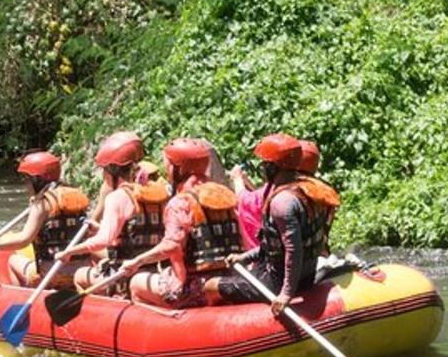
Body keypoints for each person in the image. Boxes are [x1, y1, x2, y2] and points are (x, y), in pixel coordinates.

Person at [217, 133, 341, 315]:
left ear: (272, 167)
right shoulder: (309, 191)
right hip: (306, 275)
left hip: (278, 281)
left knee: (211, 286)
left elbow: (293, 250)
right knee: (242, 275)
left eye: (264, 165)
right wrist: (244, 257)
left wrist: (285, 294)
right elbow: (276, 245)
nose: (262, 169)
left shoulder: (281, 203)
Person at [121, 138, 242, 308]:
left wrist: (137, 262)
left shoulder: (180, 202)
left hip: (195, 285)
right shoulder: (226, 195)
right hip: (230, 276)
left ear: (177, 168)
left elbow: (172, 245)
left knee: (136, 282)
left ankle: (167, 328)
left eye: (168, 164)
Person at [54, 131, 171, 293]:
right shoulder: (158, 194)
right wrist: (98, 228)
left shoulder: (117, 197)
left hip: (123, 275)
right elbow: (138, 230)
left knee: (80, 275)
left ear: (112, 172)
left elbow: (103, 240)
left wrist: (69, 252)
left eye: (104, 171)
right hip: (153, 271)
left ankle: (104, 312)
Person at [0, 150, 91, 288]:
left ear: (38, 180)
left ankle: (21, 295)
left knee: (13, 260)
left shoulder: (42, 205)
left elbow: (24, 240)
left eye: (27, 179)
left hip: (51, 274)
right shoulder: (77, 196)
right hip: (80, 270)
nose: (26, 184)